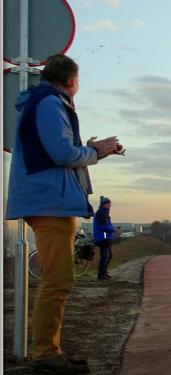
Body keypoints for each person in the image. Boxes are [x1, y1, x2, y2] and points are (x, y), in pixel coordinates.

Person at [6, 53, 123, 374]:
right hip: (49, 202)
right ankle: (45, 355)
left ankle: (49, 351)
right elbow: (62, 153)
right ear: (72, 80)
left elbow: (57, 148)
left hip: (47, 200)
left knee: (58, 279)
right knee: (57, 281)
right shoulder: (51, 104)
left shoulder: (44, 102)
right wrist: (95, 152)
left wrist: (93, 150)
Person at [93, 196, 116, 280]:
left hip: (105, 237)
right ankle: (101, 275)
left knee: (109, 256)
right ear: (104, 204)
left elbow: (107, 224)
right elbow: (103, 226)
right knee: (105, 257)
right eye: (109, 204)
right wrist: (113, 230)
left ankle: (104, 273)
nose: (110, 205)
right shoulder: (101, 213)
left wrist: (113, 229)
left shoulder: (104, 213)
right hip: (103, 238)